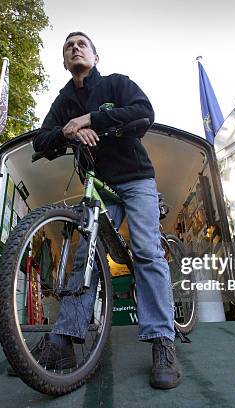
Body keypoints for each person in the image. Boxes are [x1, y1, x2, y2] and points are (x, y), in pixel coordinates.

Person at [30, 31, 181, 390]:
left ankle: (162, 339)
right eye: (68, 46)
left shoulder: (116, 84)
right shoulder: (64, 100)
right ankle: (65, 340)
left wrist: (91, 120)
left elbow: (143, 112)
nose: (75, 48)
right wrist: (69, 131)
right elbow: (41, 139)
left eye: (81, 44)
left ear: (95, 56)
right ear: (65, 61)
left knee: (145, 251)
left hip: (135, 177)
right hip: (99, 184)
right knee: (86, 255)